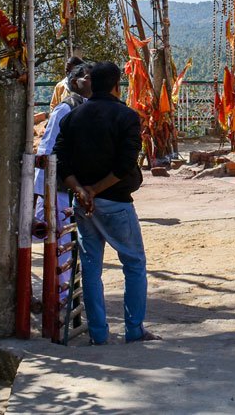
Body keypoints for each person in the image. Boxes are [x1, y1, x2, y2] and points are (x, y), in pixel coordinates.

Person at [54, 60, 158, 345]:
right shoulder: (126, 117)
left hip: (83, 204)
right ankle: (134, 329)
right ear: (116, 86)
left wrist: (81, 191)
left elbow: (60, 158)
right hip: (116, 202)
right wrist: (96, 190)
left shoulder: (72, 117)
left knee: (90, 267)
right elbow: (126, 164)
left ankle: (98, 334)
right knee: (134, 264)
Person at [33, 57, 86, 299]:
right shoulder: (65, 107)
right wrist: (41, 186)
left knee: (71, 240)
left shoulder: (85, 105)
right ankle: (62, 295)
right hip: (61, 183)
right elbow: (47, 148)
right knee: (61, 238)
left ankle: (68, 292)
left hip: (75, 183)